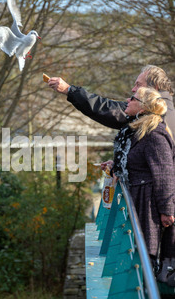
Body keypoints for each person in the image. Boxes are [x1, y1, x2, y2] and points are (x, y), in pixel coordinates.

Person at [103, 87, 175, 280]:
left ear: (143, 108)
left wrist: (167, 211)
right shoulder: (139, 132)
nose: (127, 99)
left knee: (145, 259)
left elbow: (165, 174)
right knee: (136, 255)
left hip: (147, 205)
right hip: (137, 200)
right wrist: (115, 165)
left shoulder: (155, 134)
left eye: (133, 99)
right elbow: (137, 163)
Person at [48, 65, 175, 138]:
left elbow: (107, 109)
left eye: (138, 85)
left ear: (155, 88)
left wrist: (69, 90)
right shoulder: (168, 110)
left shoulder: (152, 113)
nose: (133, 89)